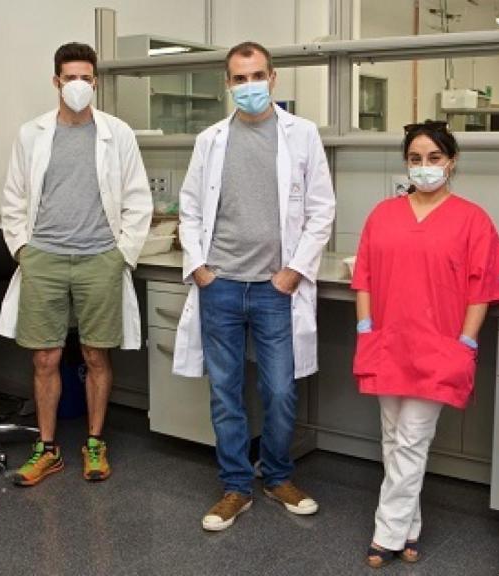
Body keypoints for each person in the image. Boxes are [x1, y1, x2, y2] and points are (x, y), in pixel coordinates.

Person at [174, 41, 336, 531]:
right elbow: (191, 208)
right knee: (225, 393)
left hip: (274, 287)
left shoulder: (302, 135)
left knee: (280, 391)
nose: (249, 87)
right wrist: (201, 267)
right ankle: (235, 487)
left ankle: (279, 475)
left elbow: (321, 208)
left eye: (257, 76)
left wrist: (293, 272)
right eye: (239, 79)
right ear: (228, 83)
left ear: (273, 78)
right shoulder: (211, 139)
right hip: (219, 284)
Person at [351, 121, 499, 567]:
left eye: (434, 158)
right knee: (393, 438)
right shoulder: (383, 214)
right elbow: (362, 275)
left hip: (439, 346)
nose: (424, 167)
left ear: (452, 161)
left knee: (411, 439)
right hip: (387, 341)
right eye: (416, 159)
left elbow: (482, 288)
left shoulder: (472, 219)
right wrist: (365, 327)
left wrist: (465, 339)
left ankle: (385, 531)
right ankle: (410, 529)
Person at [0, 42, 152, 486]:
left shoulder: (116, 133)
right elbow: (14, 197)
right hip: (43, 257)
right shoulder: (32, 134)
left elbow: (138, 198)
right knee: (45, 358)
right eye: (70, 78)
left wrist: (121, 254)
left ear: (95, 82)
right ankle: (47, 450)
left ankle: (95, 444)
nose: (79, 85)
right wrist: (24, 250)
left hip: (99, 257)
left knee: (94, 354)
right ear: (56, 82)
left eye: (86, 78)